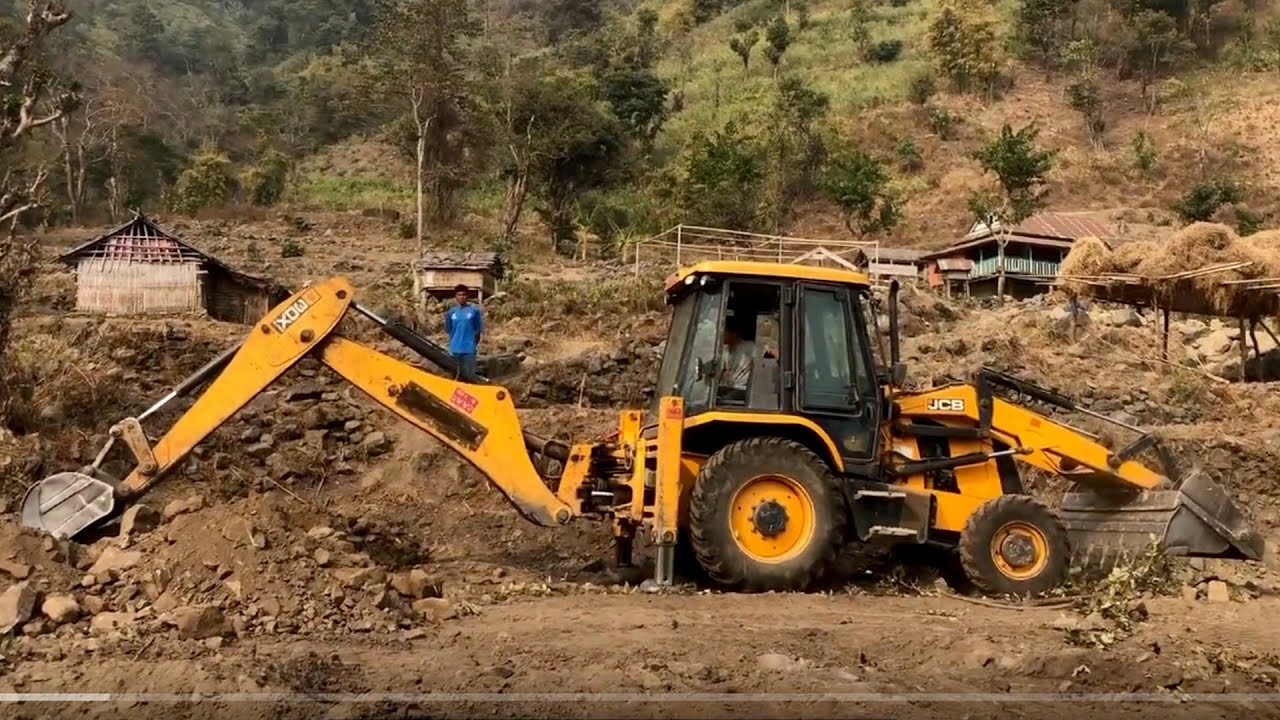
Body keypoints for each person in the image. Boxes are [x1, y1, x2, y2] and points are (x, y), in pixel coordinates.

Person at [444, 284, 483, 378]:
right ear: (455, 297)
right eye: (459, 295)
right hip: (454, 350)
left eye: (464, 294)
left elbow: (478, 330)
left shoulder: (474, 311)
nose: (461, 297)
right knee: (454, 378)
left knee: (468, 378)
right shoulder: (451, 312)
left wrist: (472, 344)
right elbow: (448, 329)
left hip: (468, 351)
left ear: (467, 296)